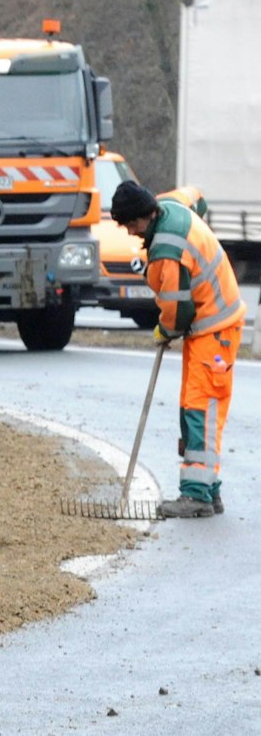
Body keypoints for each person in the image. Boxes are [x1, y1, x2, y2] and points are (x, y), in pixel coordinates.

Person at [110, 180, 245, 518]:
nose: (129, 232)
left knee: (201, 409)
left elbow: (177, 311)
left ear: (146, 215)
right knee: (194, 405)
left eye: (130, 225)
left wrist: (164, 330)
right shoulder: (171, 203)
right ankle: (209, 490)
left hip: (215, 329)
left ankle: (197, 495)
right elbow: (198, 196)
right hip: (208, 329)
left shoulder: (167, 252)